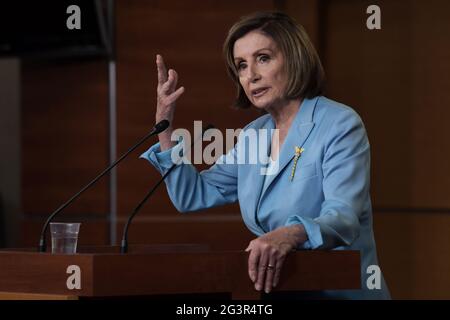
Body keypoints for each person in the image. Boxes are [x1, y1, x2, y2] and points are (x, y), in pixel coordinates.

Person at [140, 11, 390, 300]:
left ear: (294, 59)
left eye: (263, 58)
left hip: (343, 293)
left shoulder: (339, 123)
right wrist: (165, 125)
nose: (251, 75)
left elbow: (343, 218)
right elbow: (191, 195)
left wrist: (287, 235)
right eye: (241, 65)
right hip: (284, 293)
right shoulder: (252, 135)